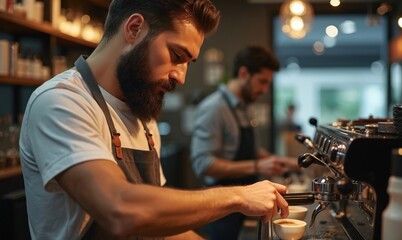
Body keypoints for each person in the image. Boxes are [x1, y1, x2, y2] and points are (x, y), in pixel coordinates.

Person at [19, 1, 291, 239]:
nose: (181, 77)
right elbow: (120, 209)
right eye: (176, 56)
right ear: (135, 28)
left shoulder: (143, 115)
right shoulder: (62, 101)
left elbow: (159, 224)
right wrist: (239, 196)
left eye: (188, 62)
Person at [190, 45, 300, 240]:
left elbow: (251, 150)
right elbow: (203, 164)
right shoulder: (214, 108)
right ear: (243, 73)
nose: (265, 90)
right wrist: (258, 166)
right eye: (262, 82)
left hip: (245, 201)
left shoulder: (244, 107)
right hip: (222, 209)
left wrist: (281, 160)